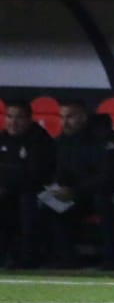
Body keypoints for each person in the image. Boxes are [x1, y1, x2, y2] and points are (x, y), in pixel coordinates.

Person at [44, 100, 114, 271]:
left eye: (70, 117)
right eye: (61, 117)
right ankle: (67, 259)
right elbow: (60, 172)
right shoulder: (62, 142)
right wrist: (57, 188)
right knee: (50, 203)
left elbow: (110, 177)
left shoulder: (104, 137)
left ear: (83, 117)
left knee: (104, 201)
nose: (64, 122)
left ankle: (113, 259)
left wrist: (75, 191)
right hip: (85, 193)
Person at [0, 102, 55, 269]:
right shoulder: (2, 139)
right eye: (10, 116)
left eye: (19, 117)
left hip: (39, 192)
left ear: (30, 119)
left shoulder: (39, 140)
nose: (13, 122)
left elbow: (35, 176)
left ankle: (27, 260)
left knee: (27, 202)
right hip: (8, 191)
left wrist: (6, 187)